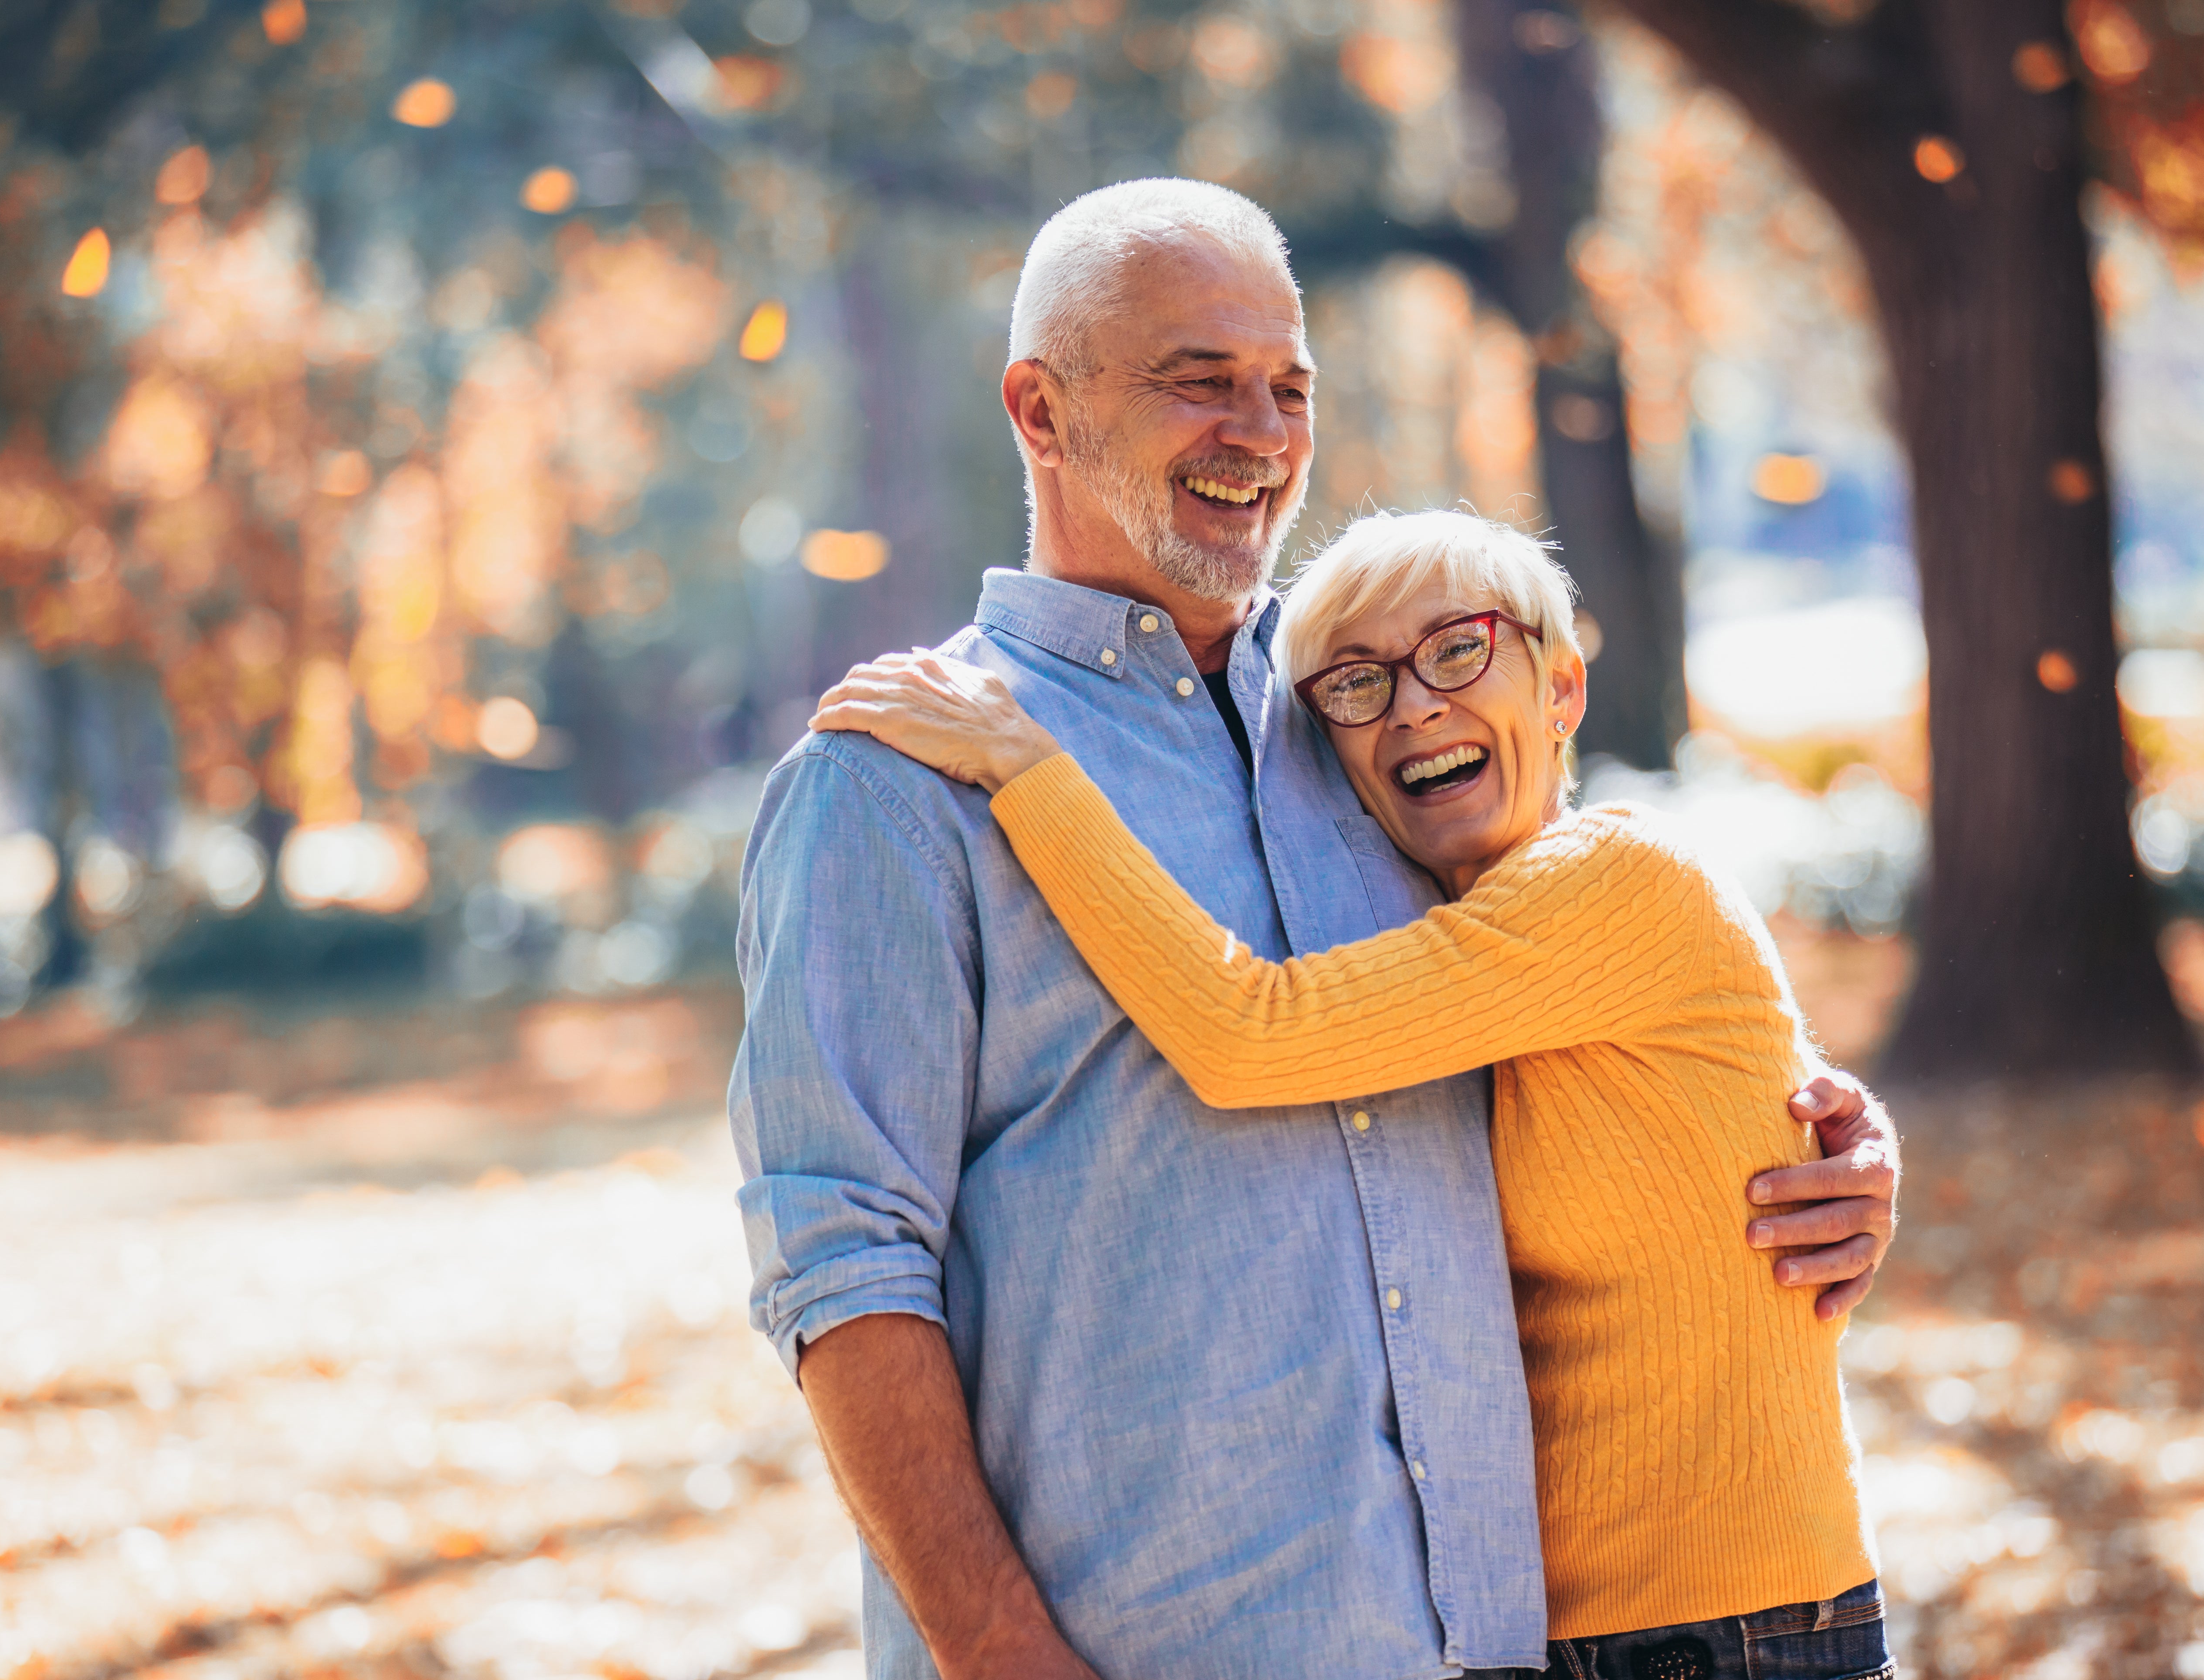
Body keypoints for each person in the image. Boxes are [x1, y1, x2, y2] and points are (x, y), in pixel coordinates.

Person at [730, 178, 1900, 1680]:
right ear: (1040, 407)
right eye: (1197, 382)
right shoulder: (890, 782)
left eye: (1287, 388)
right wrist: (1002, 1656)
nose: (1262, 434)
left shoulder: (1385, 723)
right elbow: (844, 1271)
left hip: (1506, 1645)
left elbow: (1594, 1015)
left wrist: (1819, 1150)